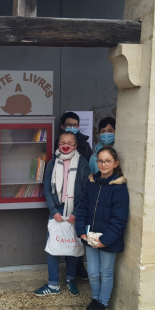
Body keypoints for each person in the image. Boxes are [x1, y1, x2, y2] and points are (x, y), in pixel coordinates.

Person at [75, 147, 129, 310]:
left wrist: (105, 240)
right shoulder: (92, 182)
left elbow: (119, 218)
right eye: (100, 161)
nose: (103, 164)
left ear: (115, 163)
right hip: (90, 236)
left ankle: (103, 304)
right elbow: (82, 207)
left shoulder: (119, 187)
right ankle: (95, 299)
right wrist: (81, 230)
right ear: (96, 162)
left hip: (108, 239)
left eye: (107, 161)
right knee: (92, 271)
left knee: (105, 272)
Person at [34, 131, 91, 297]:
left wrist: (76, 212)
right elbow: (46, 188)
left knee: (72, 245)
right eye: (62, 143)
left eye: (70, 143)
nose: (65, 146)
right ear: (58, 145)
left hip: (76, 209)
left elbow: (86, 190)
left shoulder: (83, 164)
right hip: (57, 209)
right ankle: (53, 284)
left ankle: (70, 279)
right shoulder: (52, 163)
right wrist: (53, 211)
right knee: (53, 246)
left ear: (75, 145)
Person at [54, 112, 93, 280]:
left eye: (75, 125)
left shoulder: (84, 145)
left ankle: (78, 267)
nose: (72, 127)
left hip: (79, 197)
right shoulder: (59, 145)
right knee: (64, 237)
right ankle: (70, 270)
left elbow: (88, 170)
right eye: (69, 124)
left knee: (78, 234)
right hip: (62, 199)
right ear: (62, 126)